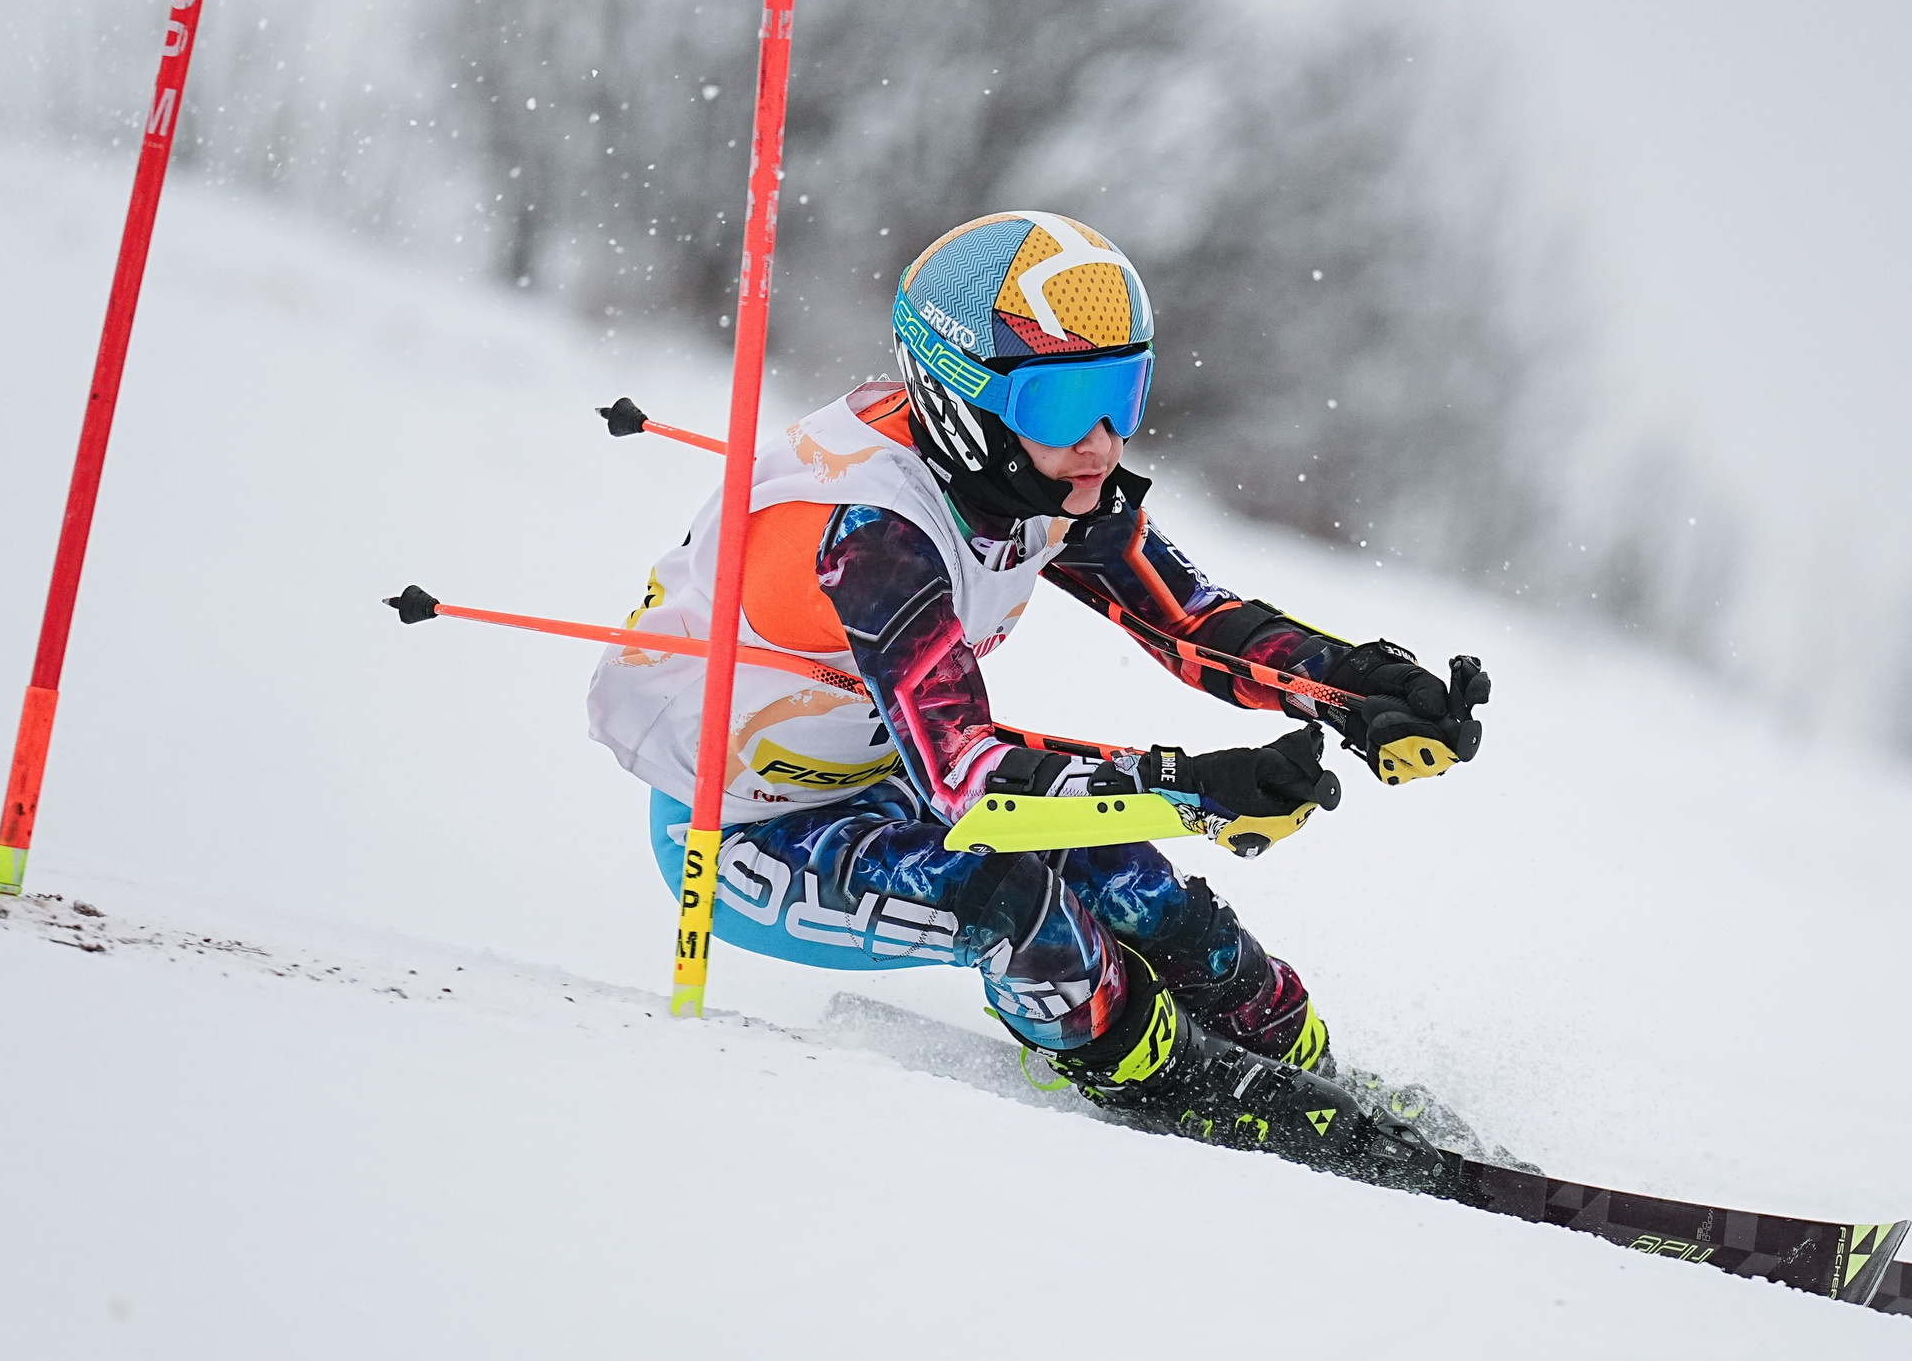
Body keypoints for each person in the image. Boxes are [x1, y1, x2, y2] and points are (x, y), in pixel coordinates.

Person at [587, 212, 1491, 1186]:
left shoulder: (1034, 473)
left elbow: (1187, 619)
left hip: (882, 780)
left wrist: (1351, 687)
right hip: (743, 836)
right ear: (961, 391)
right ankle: (1153, 1081)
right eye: (1066, 404)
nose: (1102, 440)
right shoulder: (872, 533)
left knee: (1138, 882)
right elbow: (974, 782)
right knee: (1019, 903)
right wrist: (1191, 786)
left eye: (1121, 393)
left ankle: (1317, 1080)